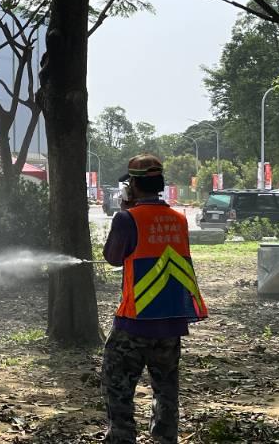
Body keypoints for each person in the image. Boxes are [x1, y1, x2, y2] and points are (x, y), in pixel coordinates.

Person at [102, 154, 208, 444]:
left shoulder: (127, 218)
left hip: (134, 321)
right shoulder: (178, 219)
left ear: (132, 185)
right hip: (171, 322)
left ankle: (122, 439)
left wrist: (124, 211)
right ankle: (165, 438)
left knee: (117, 385)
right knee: (166, 390)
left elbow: (112, 257)